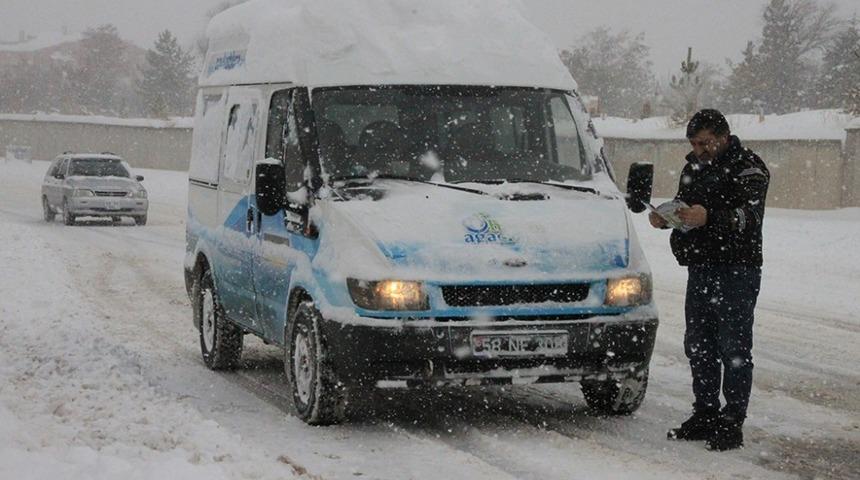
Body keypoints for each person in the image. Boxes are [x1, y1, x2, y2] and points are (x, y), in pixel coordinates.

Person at [650, 109, 770, 451]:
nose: (699, 150)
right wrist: (667, 217)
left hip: (737, 268)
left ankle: (732, 421)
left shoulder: (749, 167)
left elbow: (749, 216)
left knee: (733, 347)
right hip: (701, 266)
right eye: (694, 143)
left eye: (705, 143)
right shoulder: (694, 167)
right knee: (699, 344)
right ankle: (704, 413)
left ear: (724, 137)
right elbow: (685, 205)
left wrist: (710, 217)